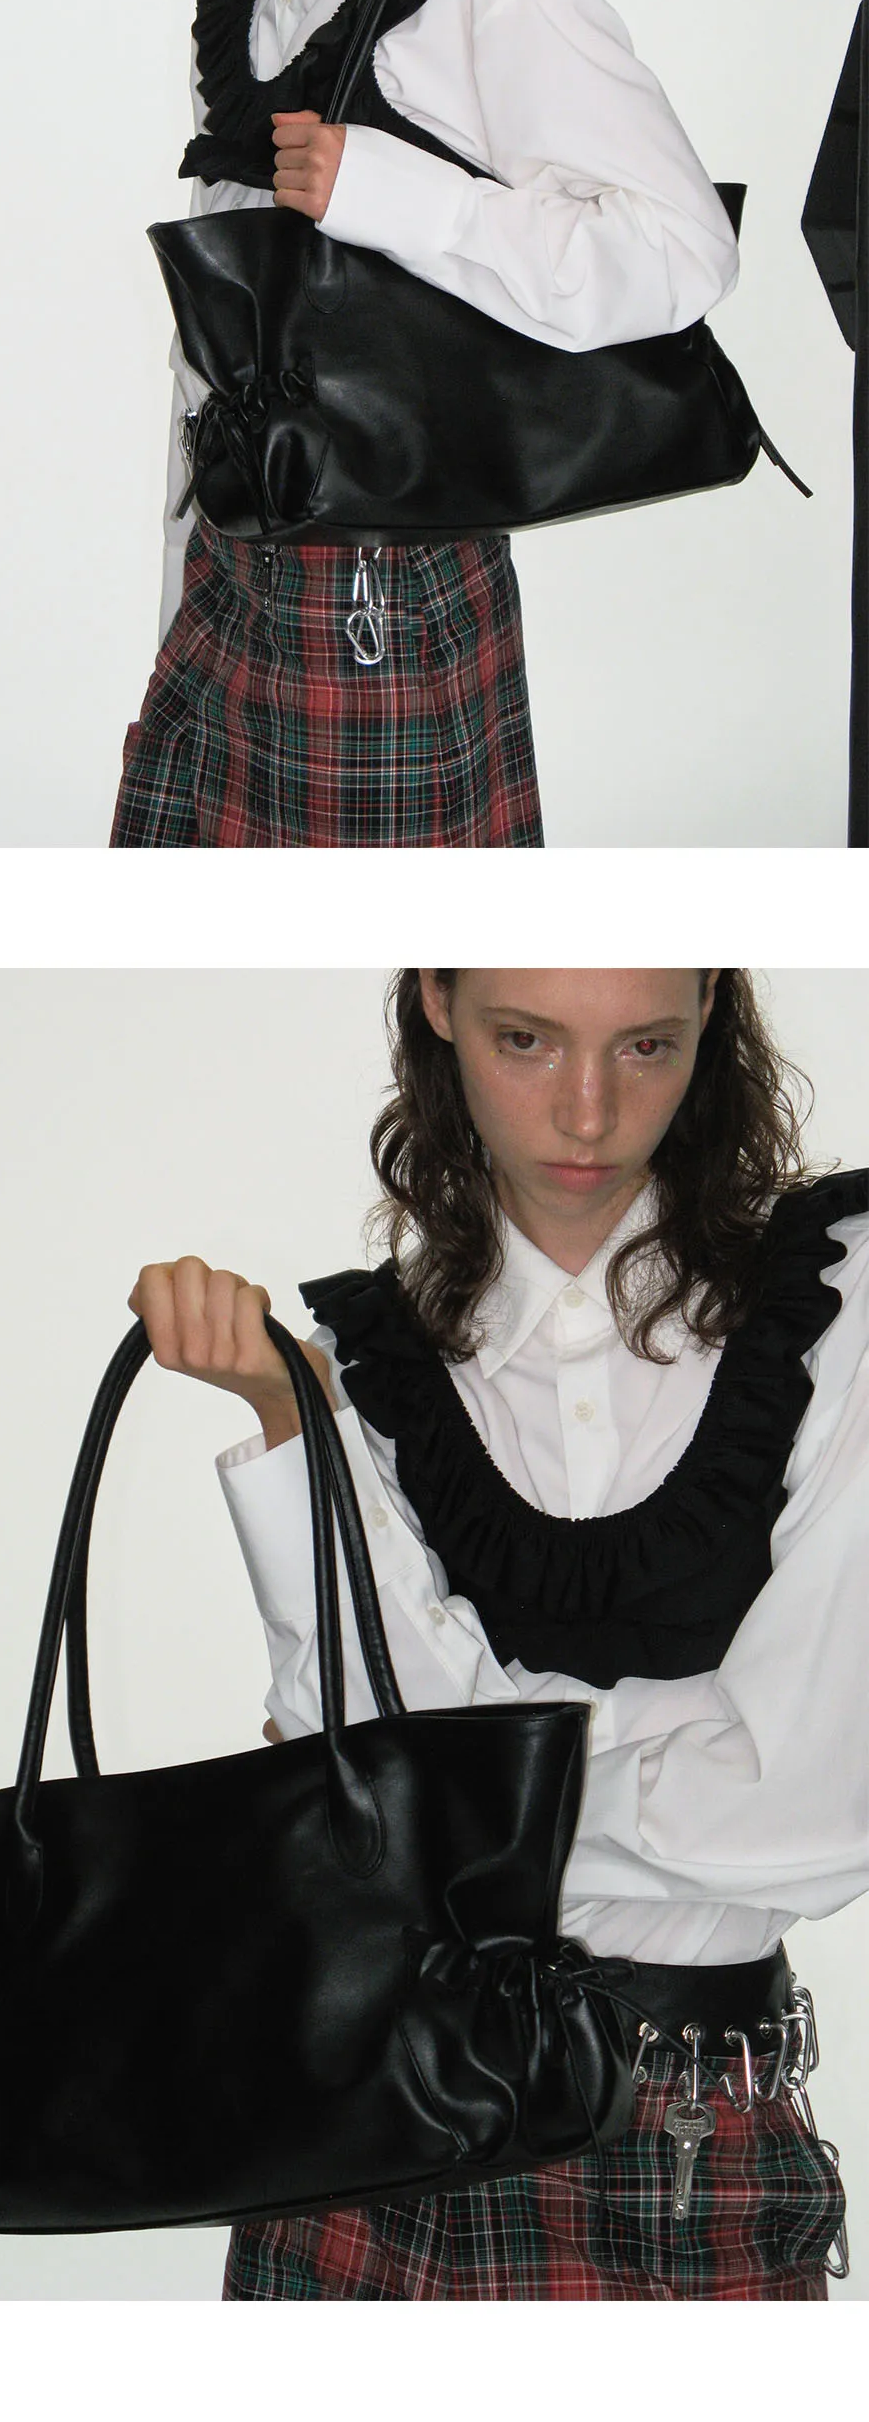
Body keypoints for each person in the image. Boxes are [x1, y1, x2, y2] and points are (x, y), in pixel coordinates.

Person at [132, 963, 867, 2297]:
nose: (586, 1112)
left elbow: (819, 1804)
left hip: (682, 2132)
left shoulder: (840, 1299)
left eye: (645, 1045)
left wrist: (447, 1793)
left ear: (712, 1009)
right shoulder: (362, 1361)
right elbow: (353, 1752)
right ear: (437, 1003)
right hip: (367, 2122)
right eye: (526, 1039)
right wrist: (295, 1422)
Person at [111, 0, 741, 856]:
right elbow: (239, 322)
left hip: (378, 601)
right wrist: (179, 589)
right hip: (234, 568)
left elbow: (678, 252)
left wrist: (401, 197)